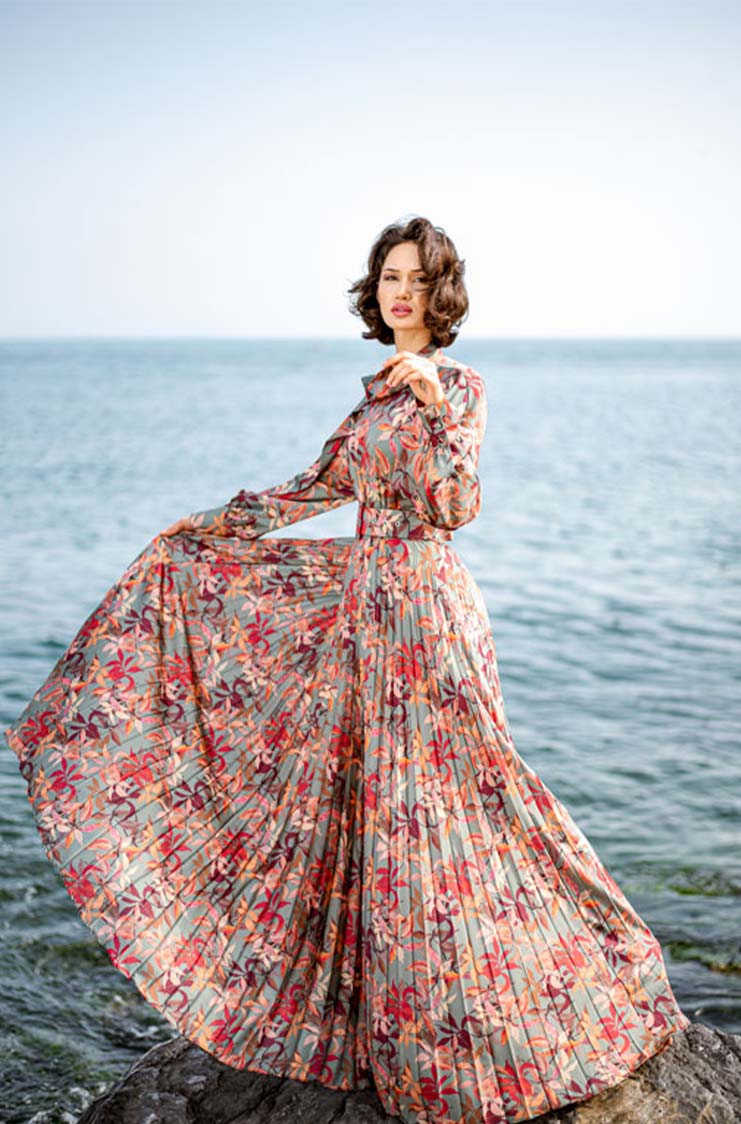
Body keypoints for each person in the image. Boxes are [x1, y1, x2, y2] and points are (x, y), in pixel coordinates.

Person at [5, 215, 690, 1124]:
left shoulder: (460, 386)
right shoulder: (369, 402)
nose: (398, 291)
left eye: (414, 279)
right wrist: (205, 526)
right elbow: (315, 488)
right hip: (364, 618)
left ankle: (580, 982)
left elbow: (456, 504)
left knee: (467, 798)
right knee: (371, 811)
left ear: (440, 294)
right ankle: (392, 1018)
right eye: (387, 278)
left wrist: (437, 404)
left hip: (429, 615)